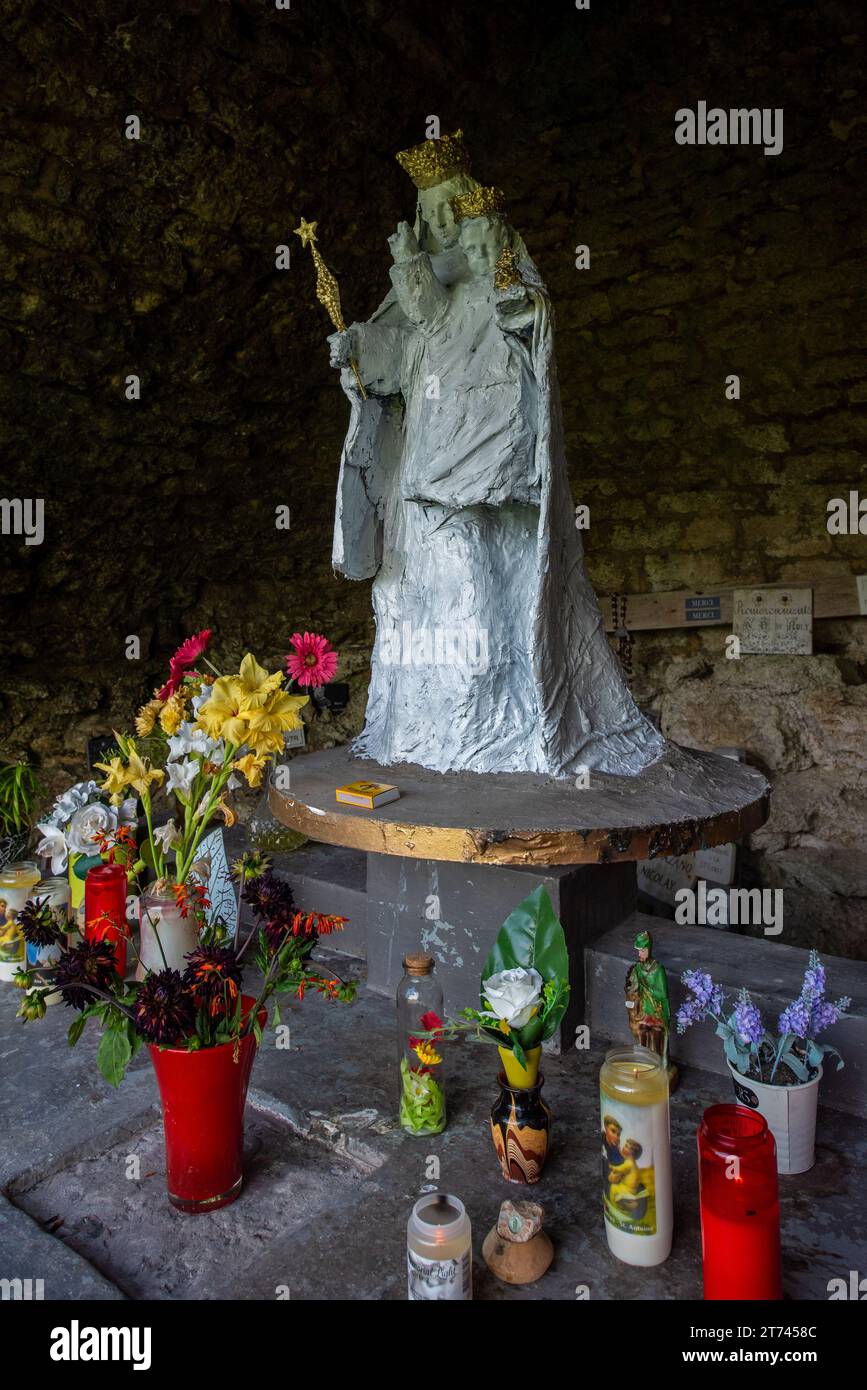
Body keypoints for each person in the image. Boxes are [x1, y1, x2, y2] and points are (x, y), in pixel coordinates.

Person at [327, 133, 667, 778]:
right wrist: (359, 349)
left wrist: (512, 299)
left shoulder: (497, 263)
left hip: (484, 458)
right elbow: (400, 361)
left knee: (478, 584)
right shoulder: (418, 285)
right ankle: (422, 725)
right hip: (424, 457)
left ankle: (490, 722)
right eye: (423, 213)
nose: (433, 224)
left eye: (441, 209)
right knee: (415, 587)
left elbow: (531, 329)